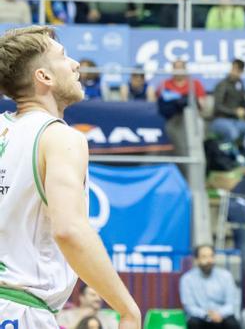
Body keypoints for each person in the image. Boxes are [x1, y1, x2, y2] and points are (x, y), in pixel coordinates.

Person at [0, 27, 142, 329]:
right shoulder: (59, 137)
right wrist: (128, 309)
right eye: (64, 57)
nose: (76, 64)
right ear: (44, 77)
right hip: (19, 311)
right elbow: (70, 230)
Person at [179, 244, 241, 329]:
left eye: (211, 256)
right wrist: (207, 315)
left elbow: (231, 304)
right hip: (200, 316)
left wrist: (219, 314)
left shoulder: (226, 276)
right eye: (204, 257)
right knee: (193, 323)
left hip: (222, 316)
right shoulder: (187, 279)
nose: (209, 260)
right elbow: (189, 307)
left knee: (232, 324)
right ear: (196, 260)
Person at [209, 59, 245, 144]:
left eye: (239, 70)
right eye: (234, 69)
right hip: (220, 119)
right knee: (233, 133)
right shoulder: (222, 85)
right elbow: (218, 106)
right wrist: (234, 112)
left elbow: (244, 105)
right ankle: (227, 155)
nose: (235, 72)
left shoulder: (240, 84)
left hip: (236, 121)